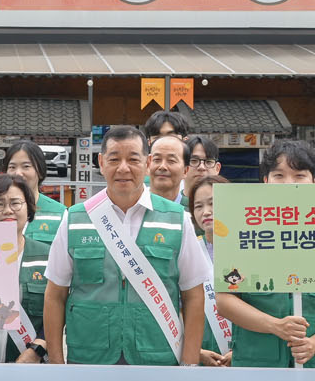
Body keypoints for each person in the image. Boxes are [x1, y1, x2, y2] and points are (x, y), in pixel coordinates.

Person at [43, 125, 210, 366]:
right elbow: (55, 295)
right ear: (101, 163)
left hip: (157, 357)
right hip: (88, 358)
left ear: (147, 163)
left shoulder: (176, 219)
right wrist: (57, 363)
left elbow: (193, 296)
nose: (123, 168)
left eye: (133, 159)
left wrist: (189, 364)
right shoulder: (76, 218)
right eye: (114, 159)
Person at [216, 141, 315, 370]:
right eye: (279, 176)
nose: (289, 183)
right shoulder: (238, 227)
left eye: (299, 176)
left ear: (314, 181)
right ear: (265, 180)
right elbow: (224, 301)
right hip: (257, 363)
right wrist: (274, 325)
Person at [0, 173, 46, 363]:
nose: (8, 210)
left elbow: (58, 311)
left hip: (33, 366)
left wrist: (36, 351)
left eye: (15, 203)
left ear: (28, 208)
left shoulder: (47, 256)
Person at [186, 173, 233, 366]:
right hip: (200, 352)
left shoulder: (249, 251)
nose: (206, 212)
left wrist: (241, 351)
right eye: (198, 206)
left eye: (213, 203)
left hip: (246, 353)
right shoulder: (189, 249)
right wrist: (196, 351)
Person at [1, 139, 71, 222]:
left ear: (40, 171)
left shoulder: (60, 213)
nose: (18, 173)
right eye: (12, 167)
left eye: (26, 166)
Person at [146, 133, 189, 204]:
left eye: (171, 161)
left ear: (185, 171)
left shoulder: (194, 208)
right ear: (148, 163)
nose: (162, 166)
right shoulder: (132, 204)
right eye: (157, 159)